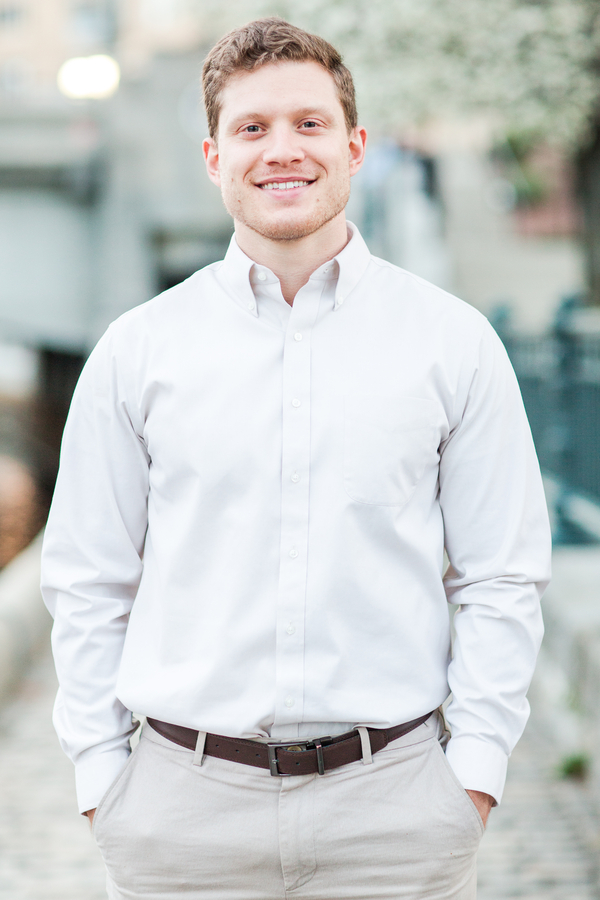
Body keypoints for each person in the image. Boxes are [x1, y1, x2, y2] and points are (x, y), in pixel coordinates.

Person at [41, 17, 551, 900]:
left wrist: (471, 775)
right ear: (215, 158)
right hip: (181, 823)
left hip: (396, 818)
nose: (283, 149)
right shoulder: (138, 351)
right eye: (253, 127)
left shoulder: (453, 343)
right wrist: (102, 780)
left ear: (354, 146)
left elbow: (500, 574)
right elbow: (89, 579)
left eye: (309, 123)